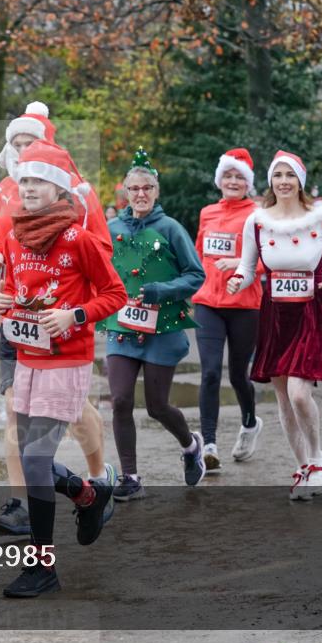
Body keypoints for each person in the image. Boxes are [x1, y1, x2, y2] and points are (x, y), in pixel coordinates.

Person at [0, 139, 126, 597]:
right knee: (35, 463)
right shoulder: (11, 235)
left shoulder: (78, 238)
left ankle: (42, 566)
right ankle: (90, 494)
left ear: (59, 190)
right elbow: (11, 288)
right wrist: (0, 301)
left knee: (34, 459)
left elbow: (115, 294)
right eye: (24, 179)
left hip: (66, 360)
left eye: (38, 181)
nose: (27, 187)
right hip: (28, 358)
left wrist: (76, 315)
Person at [227, 150, 322, 500]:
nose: (283, 181)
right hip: (275, 314)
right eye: (277, 175)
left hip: (311, 311)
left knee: (298, 393)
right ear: (270, 181)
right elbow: (248, 266)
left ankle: (318, 457)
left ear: (300, 181)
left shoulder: (321, 218)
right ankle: (303, 467)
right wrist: (237, 279)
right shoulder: (258, 220)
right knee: (282, 396)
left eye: (289, 175)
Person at [101, 148, 206, 497]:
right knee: (119, 401)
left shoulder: (171, 229)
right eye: (134, 189)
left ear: (156, 191)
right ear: (125, 193)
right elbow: (97, 273)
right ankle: (130, 477)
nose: (141, 194)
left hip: (161, 327)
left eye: (147, 188)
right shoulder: (111, 228)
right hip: (121, 326)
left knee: (157, 406)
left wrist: (162, 290)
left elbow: (196, 275)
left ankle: (191, 445)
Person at [192, 148, 264, 472]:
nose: (233, 181)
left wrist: (240, 263)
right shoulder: (207, 212)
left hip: (245, 303)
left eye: (239, 177)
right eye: (228, 176)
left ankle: (250, 422)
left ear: (247, 183)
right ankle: (209, 443)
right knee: (209, 372)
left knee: (237, 375)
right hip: (208, 302)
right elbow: (197, 255)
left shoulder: (259, 214)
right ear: (220, 180)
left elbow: (269, 258)